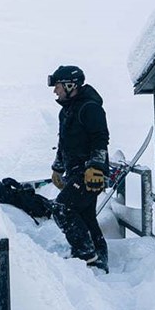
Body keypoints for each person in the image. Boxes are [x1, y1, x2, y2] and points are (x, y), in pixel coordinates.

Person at [48, 65, 109, 272]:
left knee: (62, 209)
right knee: (85, 214)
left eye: (57, 86)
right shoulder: (66, 111)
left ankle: (85, 255)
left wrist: (96, 168)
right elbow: (63, 142)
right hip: (75, 170)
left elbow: (100, 139)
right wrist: (57, 168)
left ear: (70, 85)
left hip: (89, 173)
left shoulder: (89, 108)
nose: (55, 91)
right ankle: (98, 257)